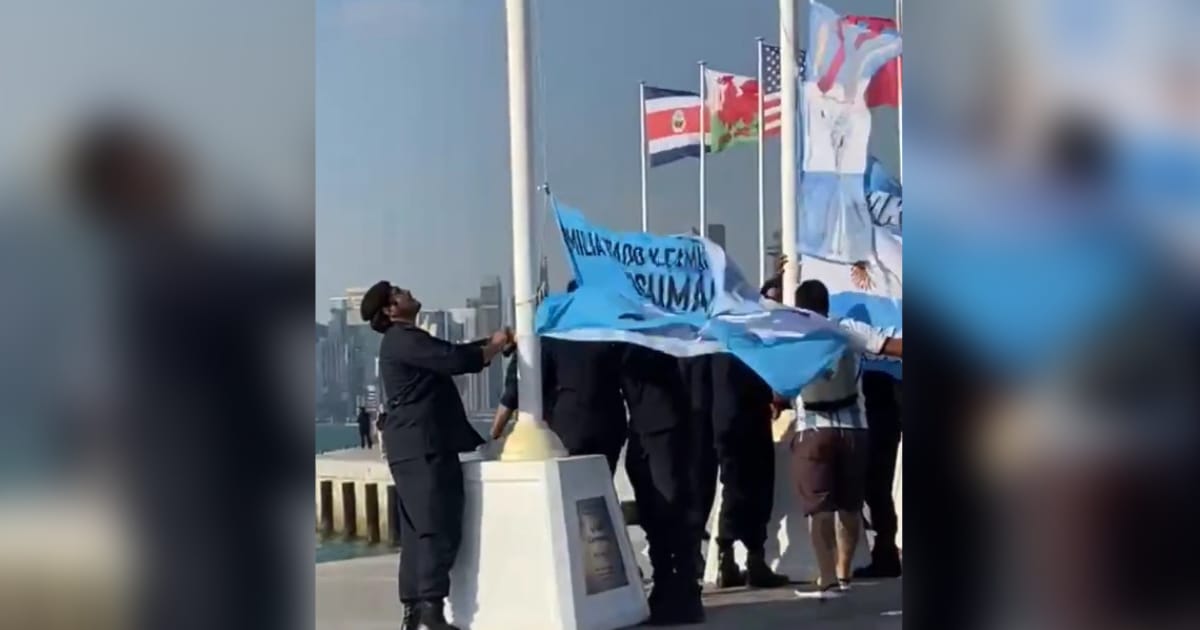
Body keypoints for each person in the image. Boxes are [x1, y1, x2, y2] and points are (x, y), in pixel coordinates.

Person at [360, 280, 512, 630]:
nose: (407, 290)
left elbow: (449, 354)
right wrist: (494, 345)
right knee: (436, 526)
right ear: (390, 309)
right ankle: (430, 613)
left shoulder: (403, 341)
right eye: (398, 292)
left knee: (417, 532)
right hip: (423, 446)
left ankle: (415, 614)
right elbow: (453, 359)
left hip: (411, 447)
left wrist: (490, 345)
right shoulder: (404, 339)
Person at [789, 280, 902, 599]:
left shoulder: (791, 332)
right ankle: (844, 574)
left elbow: (778, 384)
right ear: (827, 304)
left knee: (819, 507)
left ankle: (825, 577)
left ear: (799, 305)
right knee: (850, 506)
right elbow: (892, 347)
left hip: (812, 429)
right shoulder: (846, 328)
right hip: (855, 429)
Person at [489, 281, 628, 473]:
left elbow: (516, 388)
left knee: (573, 488)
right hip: (609, 425)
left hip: (568, 428)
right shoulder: (610, 335)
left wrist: (495, 432)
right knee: (602, 486)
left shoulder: (551, 336)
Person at [620, 344, 704, 625]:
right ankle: (667, 583)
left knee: (672, 509)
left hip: (664, 426)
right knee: (653, 512)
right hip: (644, 428)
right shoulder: (628, 340)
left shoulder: (659, 340)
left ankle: (685, 590)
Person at [854, 369, 903, 578]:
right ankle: (886, 553)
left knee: (874, 493)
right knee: (880, 494)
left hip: (873, 428)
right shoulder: (889, 375)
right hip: (889, 425)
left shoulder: (866, 372)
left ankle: (884, 554)